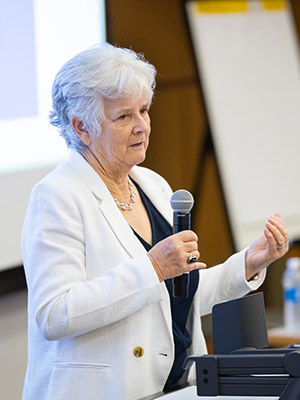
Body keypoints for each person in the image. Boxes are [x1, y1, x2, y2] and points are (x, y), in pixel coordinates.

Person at [21, 43, 289, 400]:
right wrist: (152, 267)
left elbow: (180, 295)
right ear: (81, 126)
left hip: (179, 387)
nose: (141, 127)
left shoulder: (153, 185)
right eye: (123, 117)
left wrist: (248, 264)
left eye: (144, 110)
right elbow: (55, 314)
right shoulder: (57, 196)